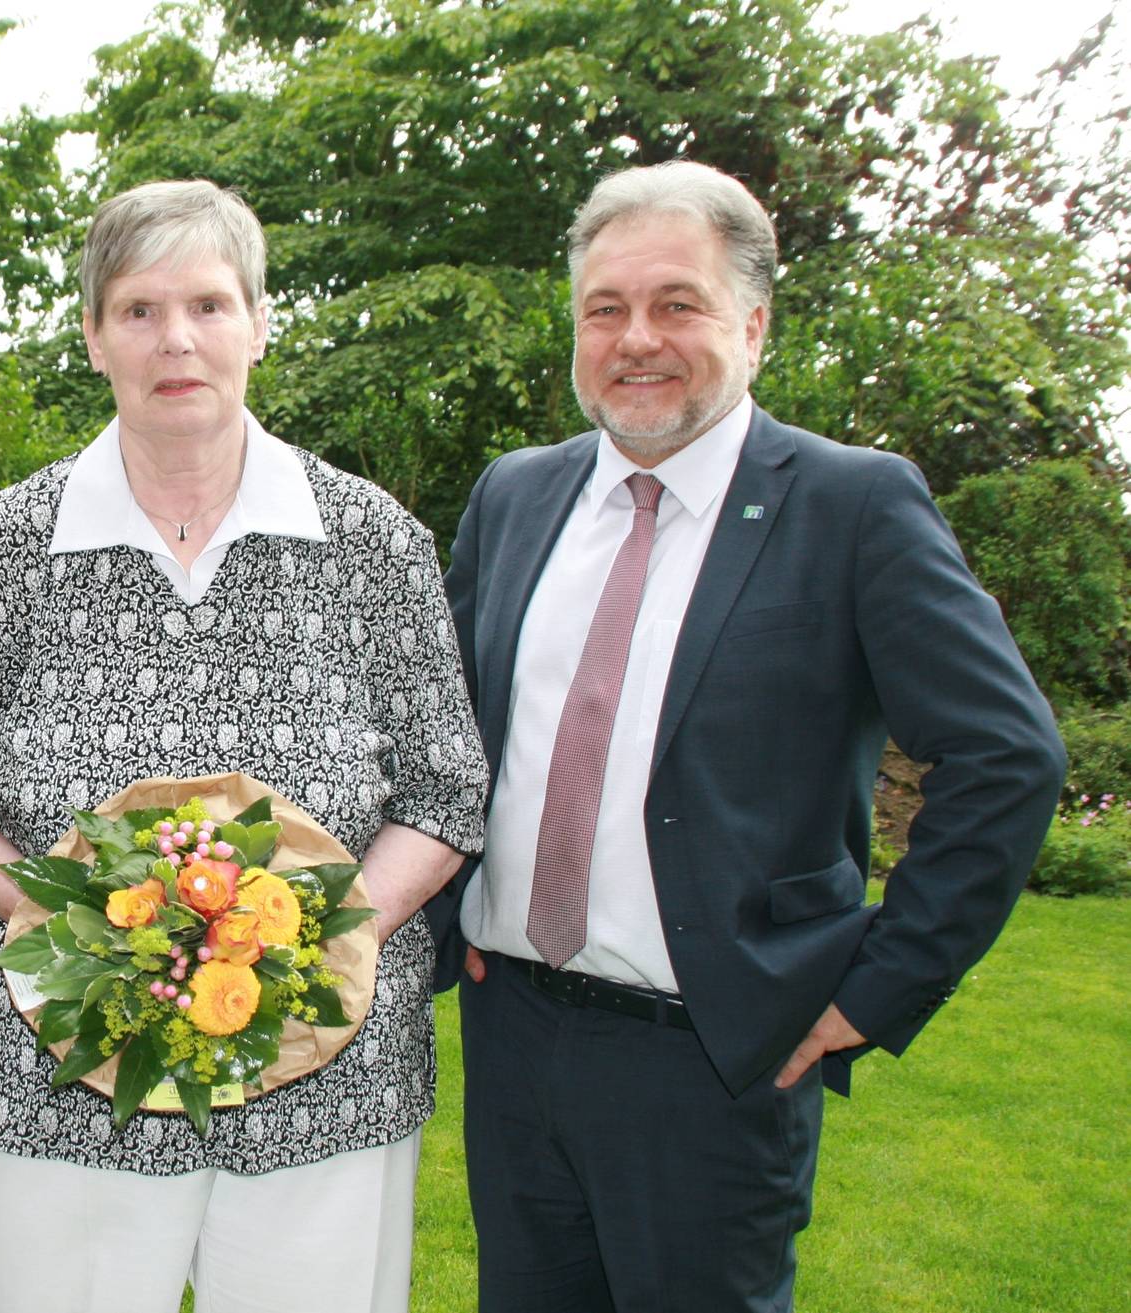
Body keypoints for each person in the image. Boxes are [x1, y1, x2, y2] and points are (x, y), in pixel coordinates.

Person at [440, 159, 1065, 1312]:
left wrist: (873, 991)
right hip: (516, 1032)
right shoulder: (516, 495)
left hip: (716, 1058)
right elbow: (449, 734)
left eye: (678, 303)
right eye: (605, 309)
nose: (638, 337)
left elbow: (1009, 757)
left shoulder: (854, 505)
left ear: (754, 323)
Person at [0, 179, 488, 1313]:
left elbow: (449, 788)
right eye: (139, 309)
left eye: (210, 304)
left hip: (327, 1083)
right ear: (92, 333)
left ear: (261, 323)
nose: (178, 339)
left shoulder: (371, 542)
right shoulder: (6, 544)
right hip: (58, 1077)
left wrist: (308, 942)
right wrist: (68, 920)